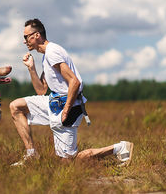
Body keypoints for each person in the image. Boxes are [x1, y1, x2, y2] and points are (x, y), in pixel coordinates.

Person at [9, 18, 133, 166]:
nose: (24, 41)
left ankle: (119, 148)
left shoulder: (52, 52)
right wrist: (31, 68)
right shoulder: (46, 56)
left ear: (36, 35)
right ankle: (31, 154)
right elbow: (41, 90)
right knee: (16, 107)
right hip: (53, 102)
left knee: (70, 163)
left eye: (26, 37)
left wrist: (66, 110)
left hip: (68, 106)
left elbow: (75, 82)